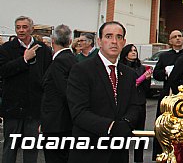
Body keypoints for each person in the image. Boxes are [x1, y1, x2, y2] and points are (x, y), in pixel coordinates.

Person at [67, 21, 143, 163]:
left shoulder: (128, 74)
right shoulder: (82, 70)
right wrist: (111, 126)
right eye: (109, 36)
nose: (114, 41)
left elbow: (135, 105)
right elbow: (78, 112)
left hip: (118, 153)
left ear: (124, 42)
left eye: (119, 37)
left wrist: (126, 123)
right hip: (89, 151)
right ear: (99, 41)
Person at [0, 16, 53, 163]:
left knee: (31, 149)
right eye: (18, 27)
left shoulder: (44, 50)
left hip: (34, 110)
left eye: (24, 27)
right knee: (10, 148)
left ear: (31, 28)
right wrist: (24, 59)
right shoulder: (6, 49)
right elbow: (3, 71)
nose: (21, 30)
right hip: (13, 109)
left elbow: (48, 78)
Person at [41, 24, 77, 163]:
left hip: (57, 123)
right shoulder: (73, 59)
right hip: (64, 122)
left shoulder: (60, 61)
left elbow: (65, 92)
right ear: (69, 41)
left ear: (52, 41)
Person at [152, 29, 183, 159]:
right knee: (163, 125)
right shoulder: (164, 56)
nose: (178, 38)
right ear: (170, 41)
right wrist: (166, 72)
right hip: (168, 95)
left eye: (180, 36)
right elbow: (156, 74)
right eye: (174, 37)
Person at [119, 44, 152, 163]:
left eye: (135, 50)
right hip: (126, 104)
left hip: (140, 103)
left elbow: (147, 90)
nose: (134, 53)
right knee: (125, 134)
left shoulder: (141, 68)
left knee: (140, 135)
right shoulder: (121, 67)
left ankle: (139, 160)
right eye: (131, 51)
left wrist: (146, 79)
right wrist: (141, 79)